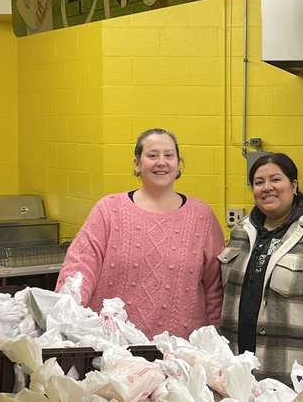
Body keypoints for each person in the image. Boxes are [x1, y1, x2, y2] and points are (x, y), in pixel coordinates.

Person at [56, 128, 223, 338]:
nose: (161, 162)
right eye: (152, 155)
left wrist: (214, 339)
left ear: (178, 165)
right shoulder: (109, 210)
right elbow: (79, 269)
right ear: (137, 164)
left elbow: (215, 289)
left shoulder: (202, 216)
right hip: (112, 347)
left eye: (169, 155)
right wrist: (66, 316)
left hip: (180, 352)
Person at [219, 152, 303, 384]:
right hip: (236, 372)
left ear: (294, 185)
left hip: (292, 376)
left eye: (276, 179)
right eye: (259, 182)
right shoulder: (241, 232)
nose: (267, 187)